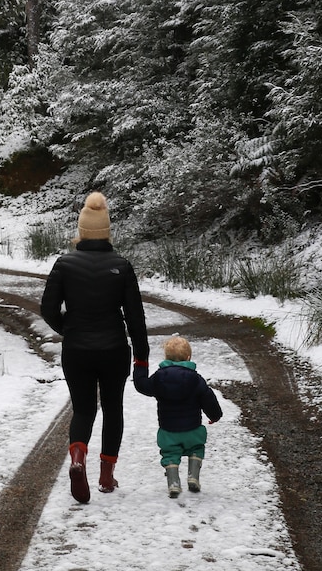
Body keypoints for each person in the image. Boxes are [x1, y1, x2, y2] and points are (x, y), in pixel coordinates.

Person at [40, 191, 150, 504]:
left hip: (76, 351)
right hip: (115, 349)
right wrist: (141, 356)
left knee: (84, 408)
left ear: (81, 231)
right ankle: (106, 475)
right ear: (107, 231)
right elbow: (135, 317)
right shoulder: (122, 265)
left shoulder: (64, 264)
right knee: (113, 407)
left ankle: (77, 458)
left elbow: (48, 310)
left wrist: (70, 329)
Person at [133, 335, 222, 498]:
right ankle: (193, 476)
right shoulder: (196, 379)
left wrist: (140, 366)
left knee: (170, 454)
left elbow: (142, 385)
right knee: (196, 448)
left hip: (168, 431)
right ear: (188, 357)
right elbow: (208, 398)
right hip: (193, 429)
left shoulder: (159, 377)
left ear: (166, 357)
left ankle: (173, 483)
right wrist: (215, 415)